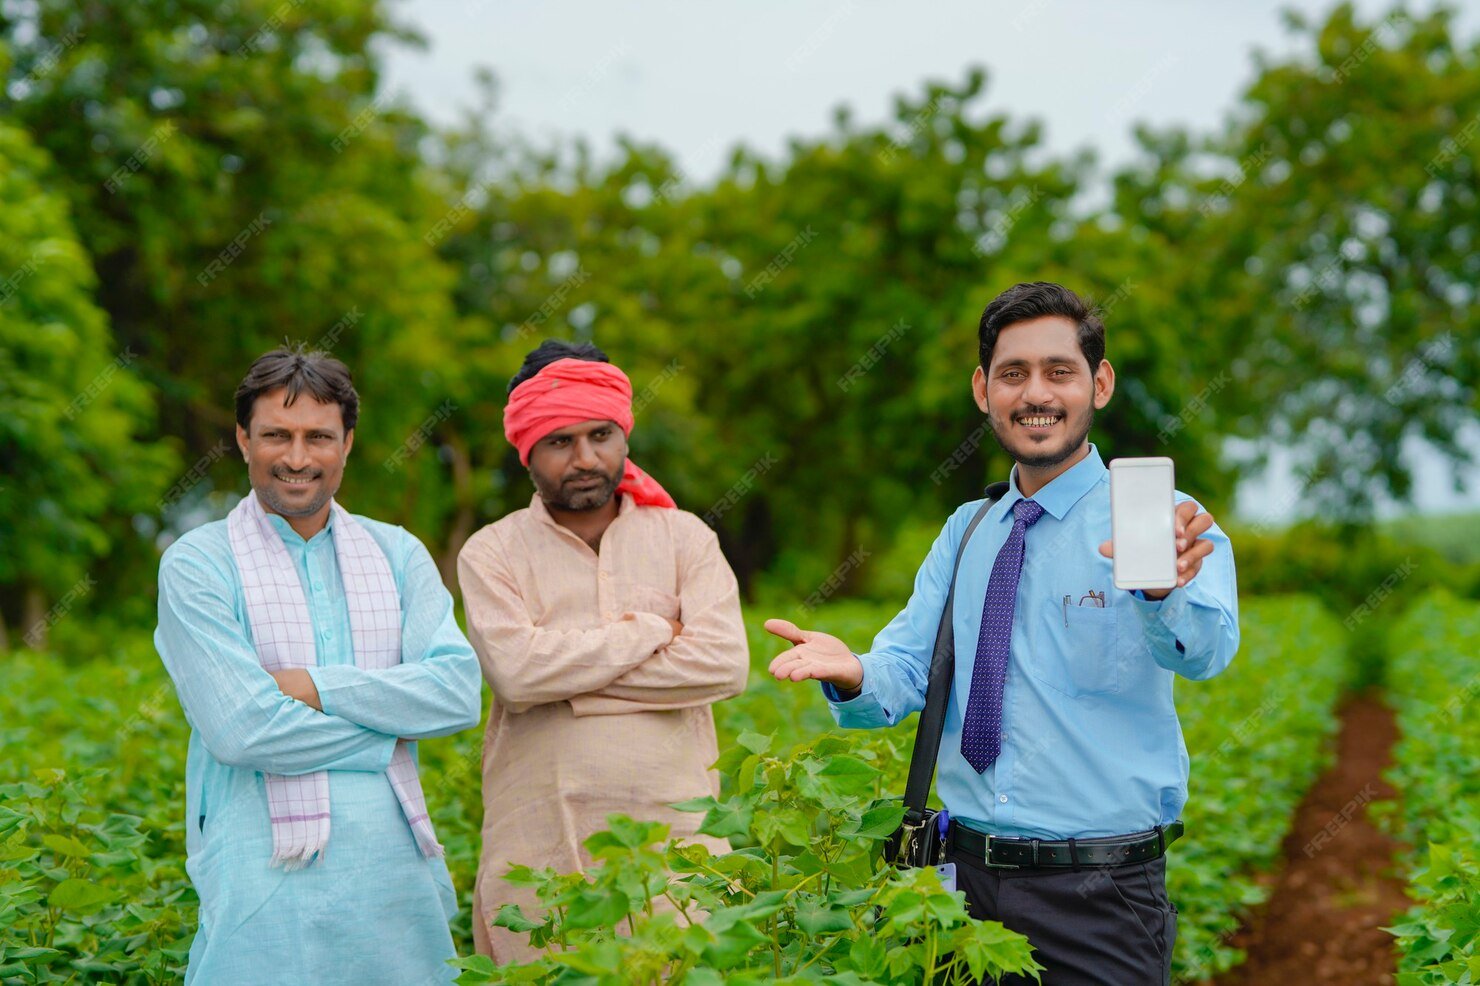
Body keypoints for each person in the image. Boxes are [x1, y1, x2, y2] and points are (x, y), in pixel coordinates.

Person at [764, 282, 1239, 985]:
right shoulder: (969, 530)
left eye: (1060, 372)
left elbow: (1204, 653)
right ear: (983, 390)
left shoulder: (1167, 524)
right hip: (962, 886)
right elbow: (905, 667)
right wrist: (855, 672)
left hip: (1101, 895)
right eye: (1013, 374)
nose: (1035, 394)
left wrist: (1162, 593)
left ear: (1099, 384)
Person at [155, 345, 482, 984]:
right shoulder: (199, 563)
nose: (298, 458)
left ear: (348, 444)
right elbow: (243, 730)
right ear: (244, 441)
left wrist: (312, 687)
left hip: (394, 877)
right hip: (261, 878)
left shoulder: (397, 554)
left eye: (318, 437)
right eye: (277, 435)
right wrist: (388, 726)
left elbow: (455, 695)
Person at [457, 340, 749, 963]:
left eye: (600, 435)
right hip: (538, 858)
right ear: (526, 451)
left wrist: (567, 681)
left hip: (676, 857)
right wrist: (646, 631)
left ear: (624, 437)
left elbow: (723, 663)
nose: (584, 458)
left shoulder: (685, 538)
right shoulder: (492, 552)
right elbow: (516, 673)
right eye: (559, 442)